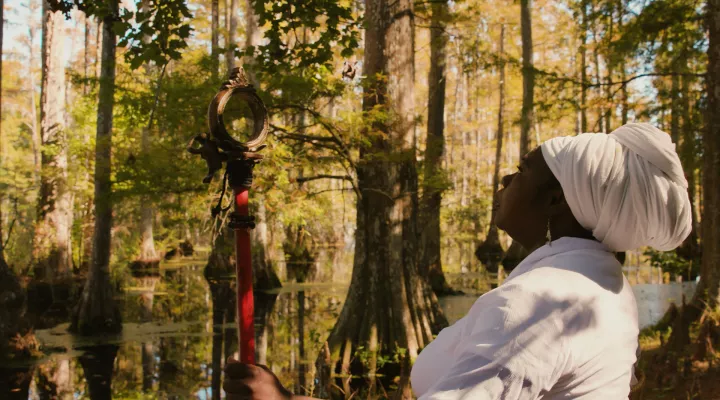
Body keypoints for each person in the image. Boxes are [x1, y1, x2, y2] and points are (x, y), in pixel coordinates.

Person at [223, 123, 692, 399]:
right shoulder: (602, 287)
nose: (505, 179)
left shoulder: (543, 302)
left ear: (555, 201)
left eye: (523, 169)